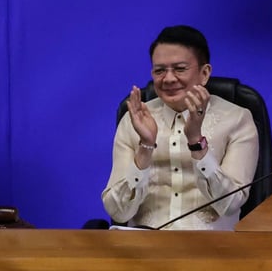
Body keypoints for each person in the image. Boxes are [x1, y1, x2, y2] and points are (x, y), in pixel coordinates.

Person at [102, 25, 259, 230]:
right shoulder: (134, 119)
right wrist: (146, 147)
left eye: (179, 69)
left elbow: (230, 204)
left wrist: (196, 142)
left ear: (204, 73)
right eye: (159, 71)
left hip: (209, 253)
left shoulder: (237, 119)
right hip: (144, 249)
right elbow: (118, 211)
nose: (168, 79)